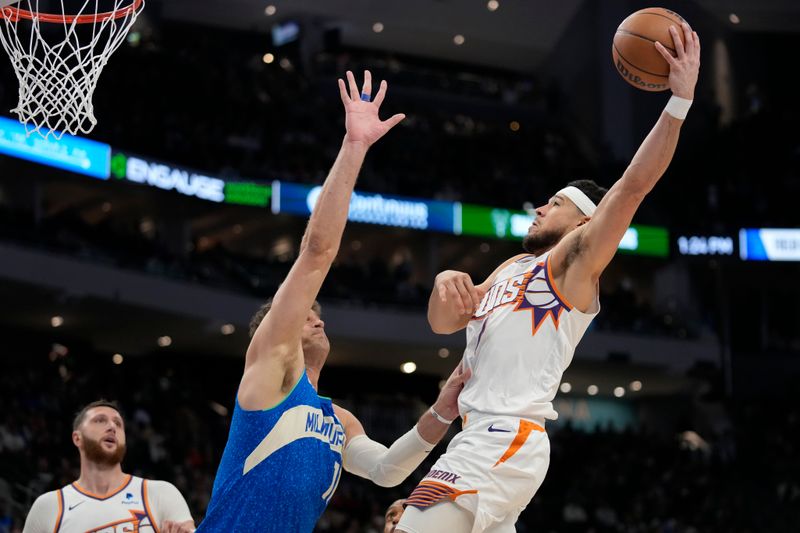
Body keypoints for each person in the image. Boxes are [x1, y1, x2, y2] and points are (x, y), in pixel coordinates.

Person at [396, 23, 701, 533]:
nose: (539, 207)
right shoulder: (512, 267)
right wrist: (444, 281)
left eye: (554, 203)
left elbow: (631, 188)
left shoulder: (575, 263)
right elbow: (443, 323)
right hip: (478, 437)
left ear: (583, 221)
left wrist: (679, 102)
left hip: (503, 437)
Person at [198, 71, 469, 532]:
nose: (317, 320)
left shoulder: (338, 419)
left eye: (318, 315)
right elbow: (317, 252)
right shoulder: (273, 366)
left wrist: (444, 406)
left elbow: (387, 471)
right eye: (306, 315)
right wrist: (355, 146)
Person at [22, 400, 194, 533]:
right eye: (100, 420)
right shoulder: (48, 506)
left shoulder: (161, 493)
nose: (112, 427)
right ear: (77, 438)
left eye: (118, 424)